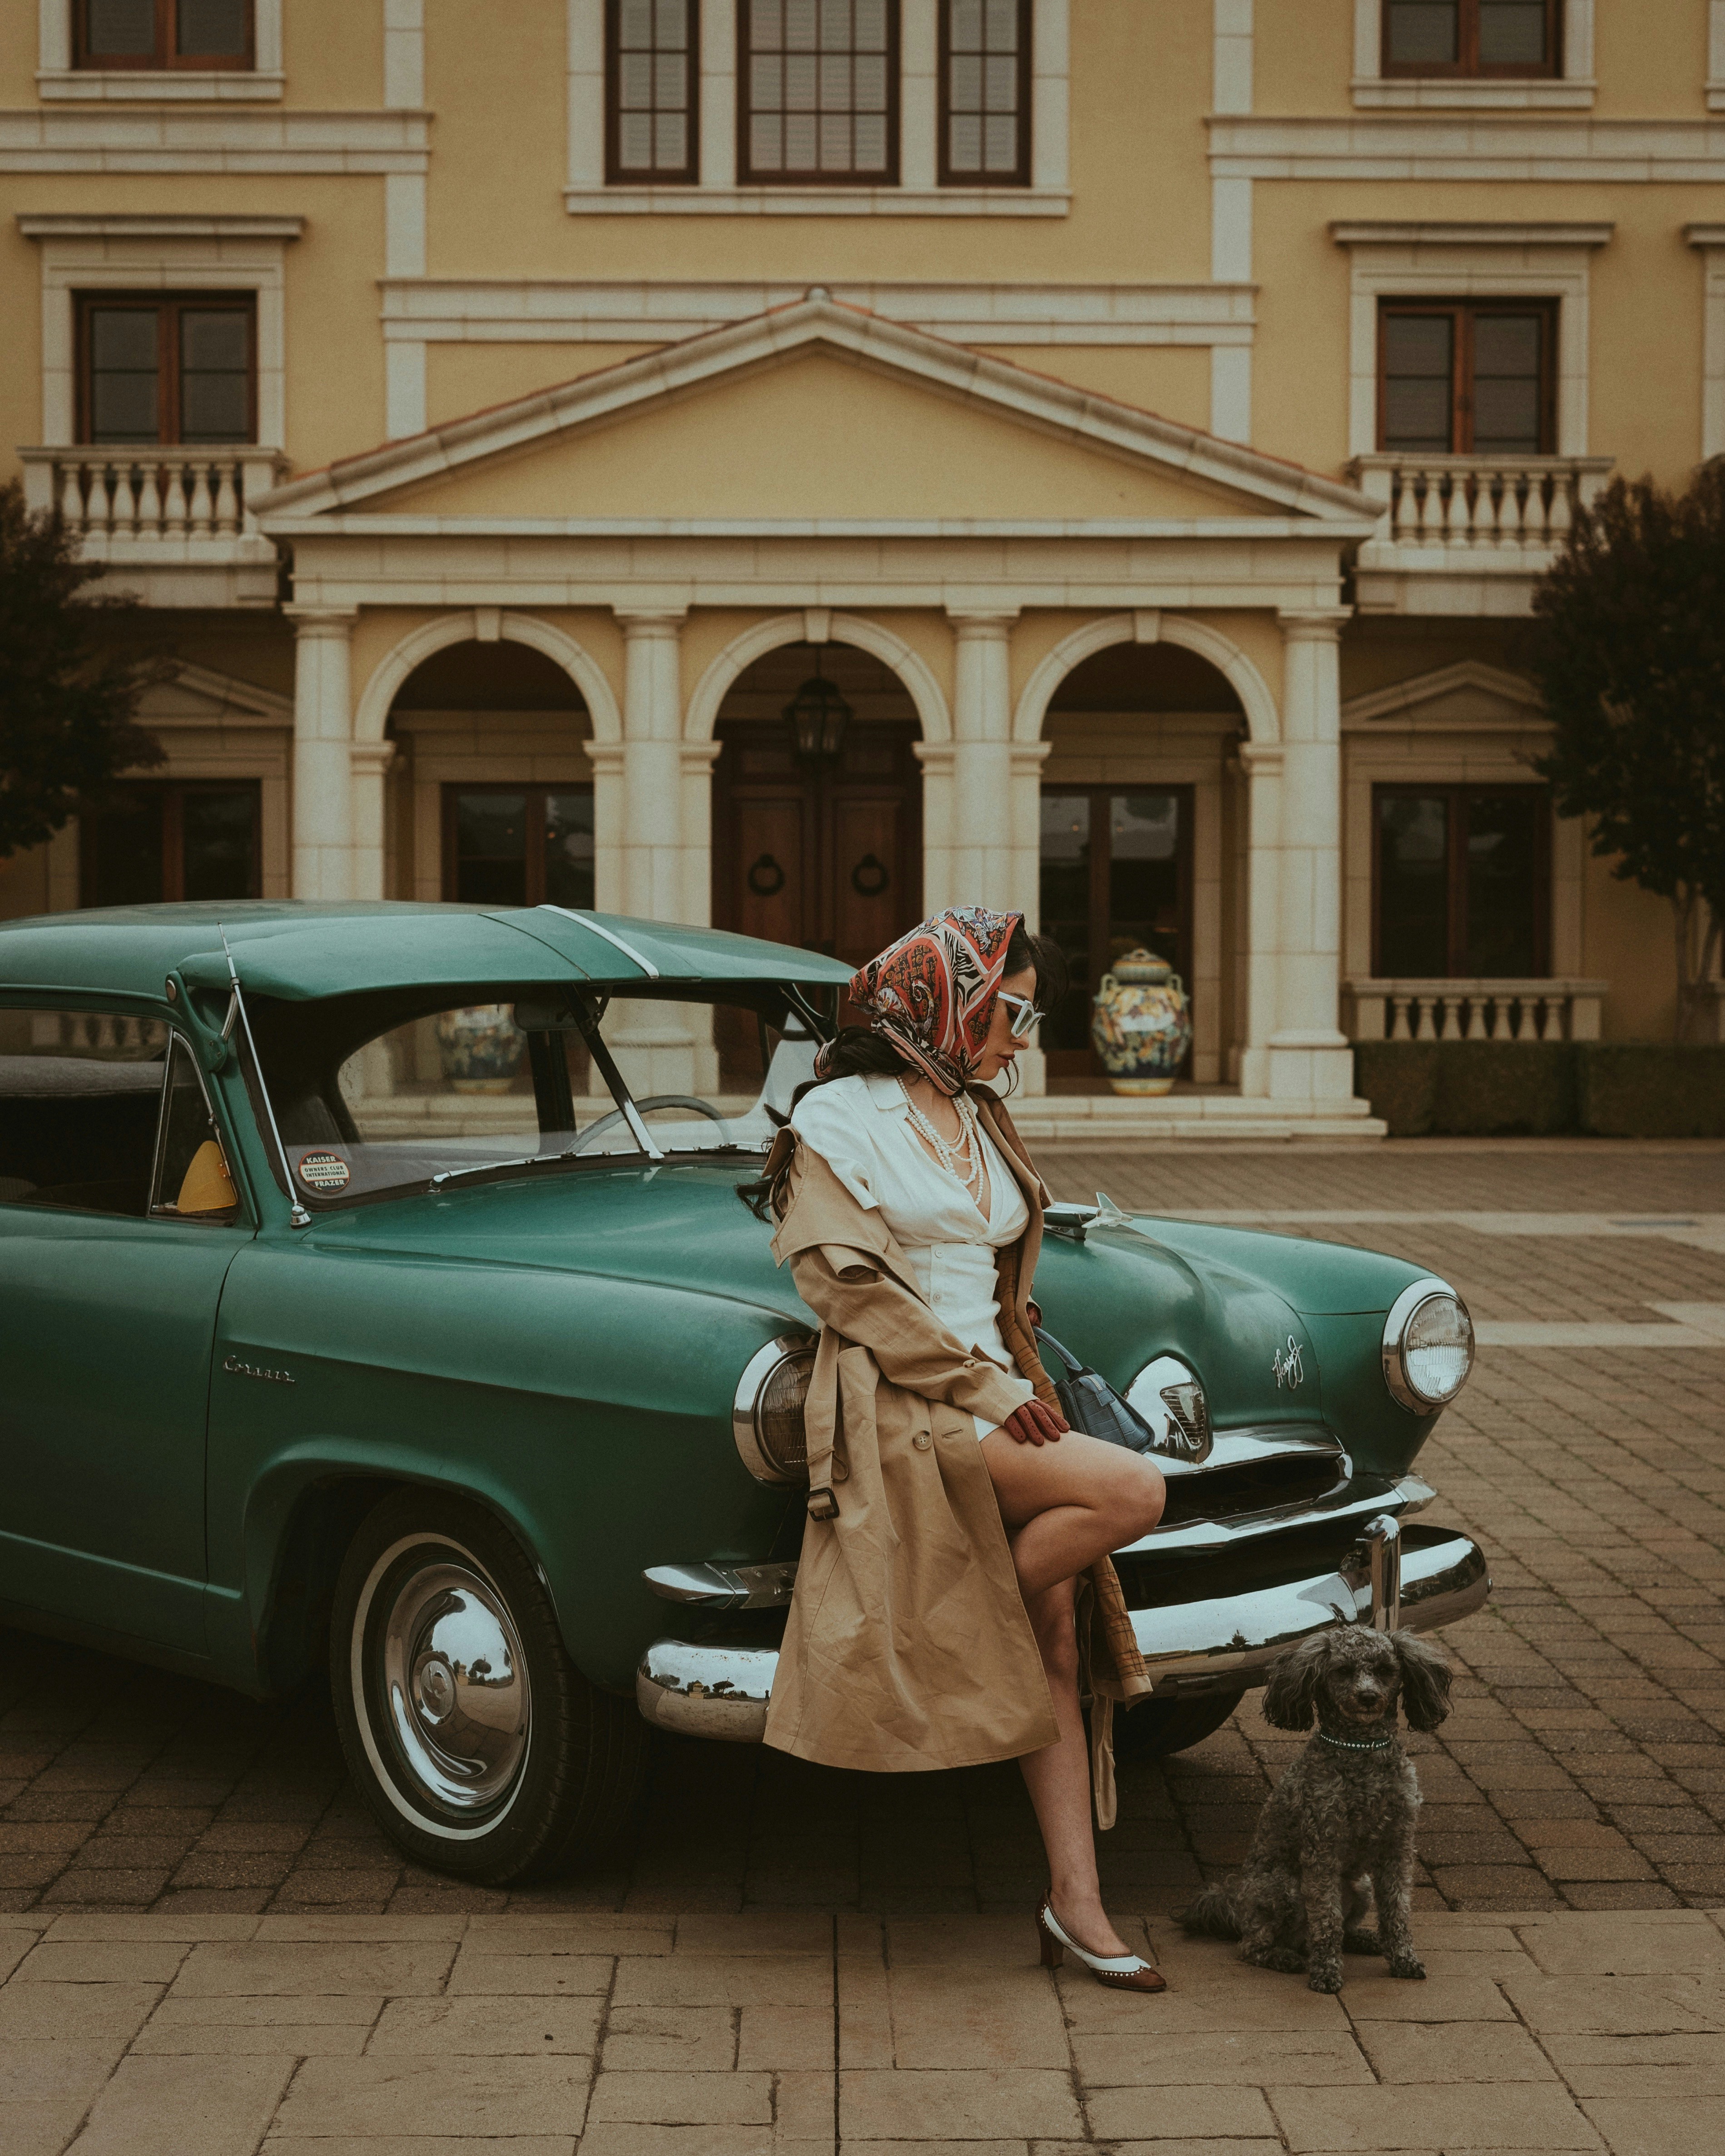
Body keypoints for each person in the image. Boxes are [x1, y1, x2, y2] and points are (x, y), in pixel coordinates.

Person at [743, 907, 1169, 1992]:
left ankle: (1077, 1906)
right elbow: (845, 1287)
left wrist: (1013, 1375)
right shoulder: (837, 1117)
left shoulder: (977, 1113)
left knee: (1056, 1651)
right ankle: (944, 1624)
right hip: (906, 1408)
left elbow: (998, 1270)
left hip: (1000, 1396)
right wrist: (985, 1385)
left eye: (1025, 1014)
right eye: (1009, 1011)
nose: (1021, 1037)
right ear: (946, 1003)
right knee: (1133, 1489)